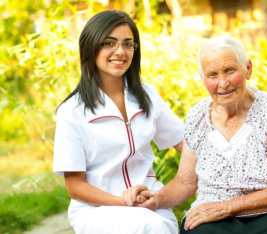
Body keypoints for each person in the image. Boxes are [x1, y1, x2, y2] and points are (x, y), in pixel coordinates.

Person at [127, 35, 267, 234]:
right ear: (203, 79)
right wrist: (156, 198)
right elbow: (185, 182)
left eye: (229, 70)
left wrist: (226, 207)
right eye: (212, 75)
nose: (222, 83)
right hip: (215, 218)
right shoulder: (198, 116)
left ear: (248, 69)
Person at [52, 10, 183, 234]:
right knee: (150, 227)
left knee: (160, 226)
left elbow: (187, 145)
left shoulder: (147, 95)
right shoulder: (72, 111)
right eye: (109, 43)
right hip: (97, 210)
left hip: (150, 204)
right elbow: (75, 186)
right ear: (91, 47)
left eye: (128, 44)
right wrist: (124, 201)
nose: (120, 52)